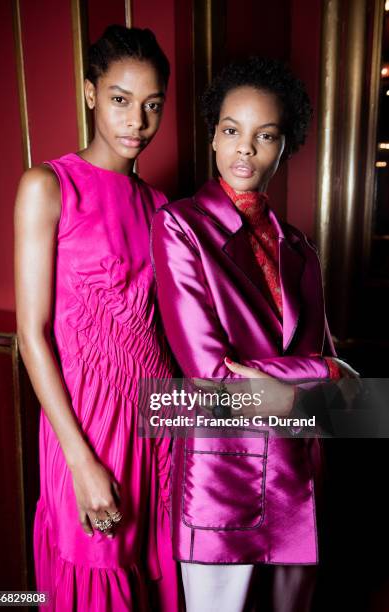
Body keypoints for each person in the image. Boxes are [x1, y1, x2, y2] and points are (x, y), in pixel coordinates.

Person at [151, 56, 357, 611]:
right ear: (213, 137)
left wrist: (321, 377)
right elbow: (211, 374)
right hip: (224, 473)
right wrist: (320, 376)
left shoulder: (300, 248)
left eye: (265, 136)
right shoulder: (180, 226)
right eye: (231, 131)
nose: (246, 149)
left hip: (296, 475)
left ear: (284, 146)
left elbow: (347, 389)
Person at [14, 24, 181, 612]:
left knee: (148, 577)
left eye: (151, 105)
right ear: (90, 93)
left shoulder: (161, 207)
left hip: (154, 422)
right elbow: (30, 334)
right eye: (119, 99)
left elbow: (165, 331)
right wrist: (81, 462)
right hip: (84, 427)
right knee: (93, 575)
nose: (137, 120)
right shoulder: (47, 187)